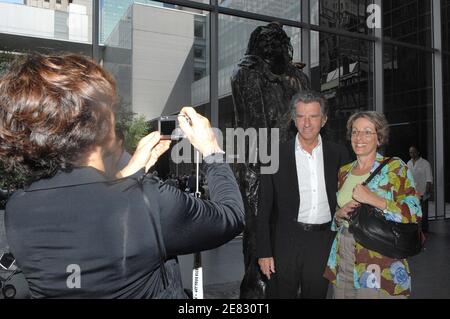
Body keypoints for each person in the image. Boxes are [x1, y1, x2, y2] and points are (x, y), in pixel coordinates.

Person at [0, 53, 244, 298]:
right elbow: (231, 216)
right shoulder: (148, 202)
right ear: (99, 122)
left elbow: (90, 211)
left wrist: (130, 173)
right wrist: (212, 151)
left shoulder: (18, 208)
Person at [231, 22, 311, 299]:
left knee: (292, 231)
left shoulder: (298, 78)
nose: (271, 45)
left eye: (276, 40)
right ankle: (257, 292)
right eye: (265, 41)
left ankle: (288, 285)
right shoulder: (246, 73)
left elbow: (311, 119)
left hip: (294, 164)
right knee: (258, 235)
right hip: (258, 166)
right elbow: (256, 124)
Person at [256, 91, 350, 299]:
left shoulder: (339, 154)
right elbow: (263, 210)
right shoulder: (274, 156)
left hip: (323, 242)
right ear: (293, 120)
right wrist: (264, 251)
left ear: (323, 120)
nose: (307, 123)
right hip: (285, 242)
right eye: (301, 116)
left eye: (313, 116)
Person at [323, 111, 422, 299]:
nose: (359, 137)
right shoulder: (344, 172)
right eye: (355, 132)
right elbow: (337, 215)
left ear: (379, 138)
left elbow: (414, 213)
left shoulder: (395, 167)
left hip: (378, 255)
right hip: (343, 251)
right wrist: (338, 215)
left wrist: (374, 199)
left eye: (367, 132)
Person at [407, 145, 433, 233]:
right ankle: (415, 229)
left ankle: (424, 230)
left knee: (424, 213)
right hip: (412, 193)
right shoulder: (408, 163)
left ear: (418, 152)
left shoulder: (425, 163)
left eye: (413, 152)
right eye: (410, 152)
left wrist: (427, 192)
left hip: (423, 192)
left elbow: (429, 179)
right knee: (414, 212)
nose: (412, 154)